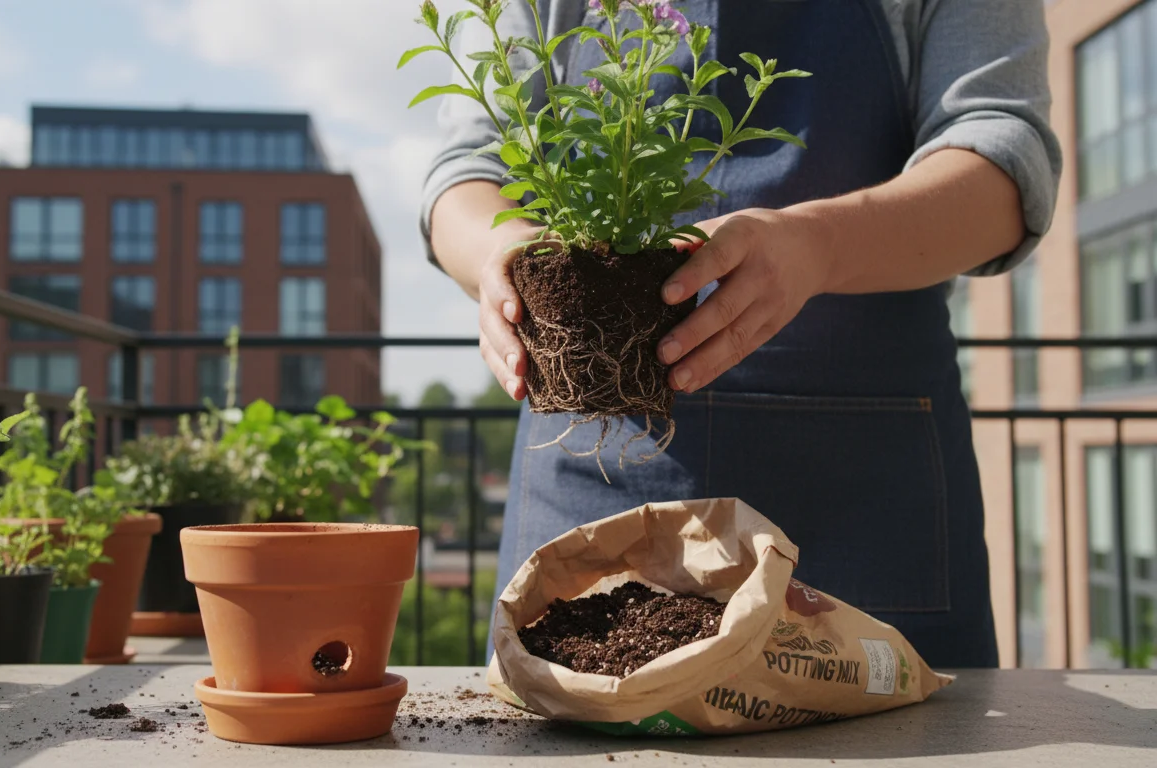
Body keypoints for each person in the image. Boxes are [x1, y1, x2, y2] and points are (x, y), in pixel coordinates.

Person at [421, 0, 1060, 668]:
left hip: (866, 487)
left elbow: (1005, 155)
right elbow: (469, 168)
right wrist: (502, 251)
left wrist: (819, 246)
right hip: (595, 473)